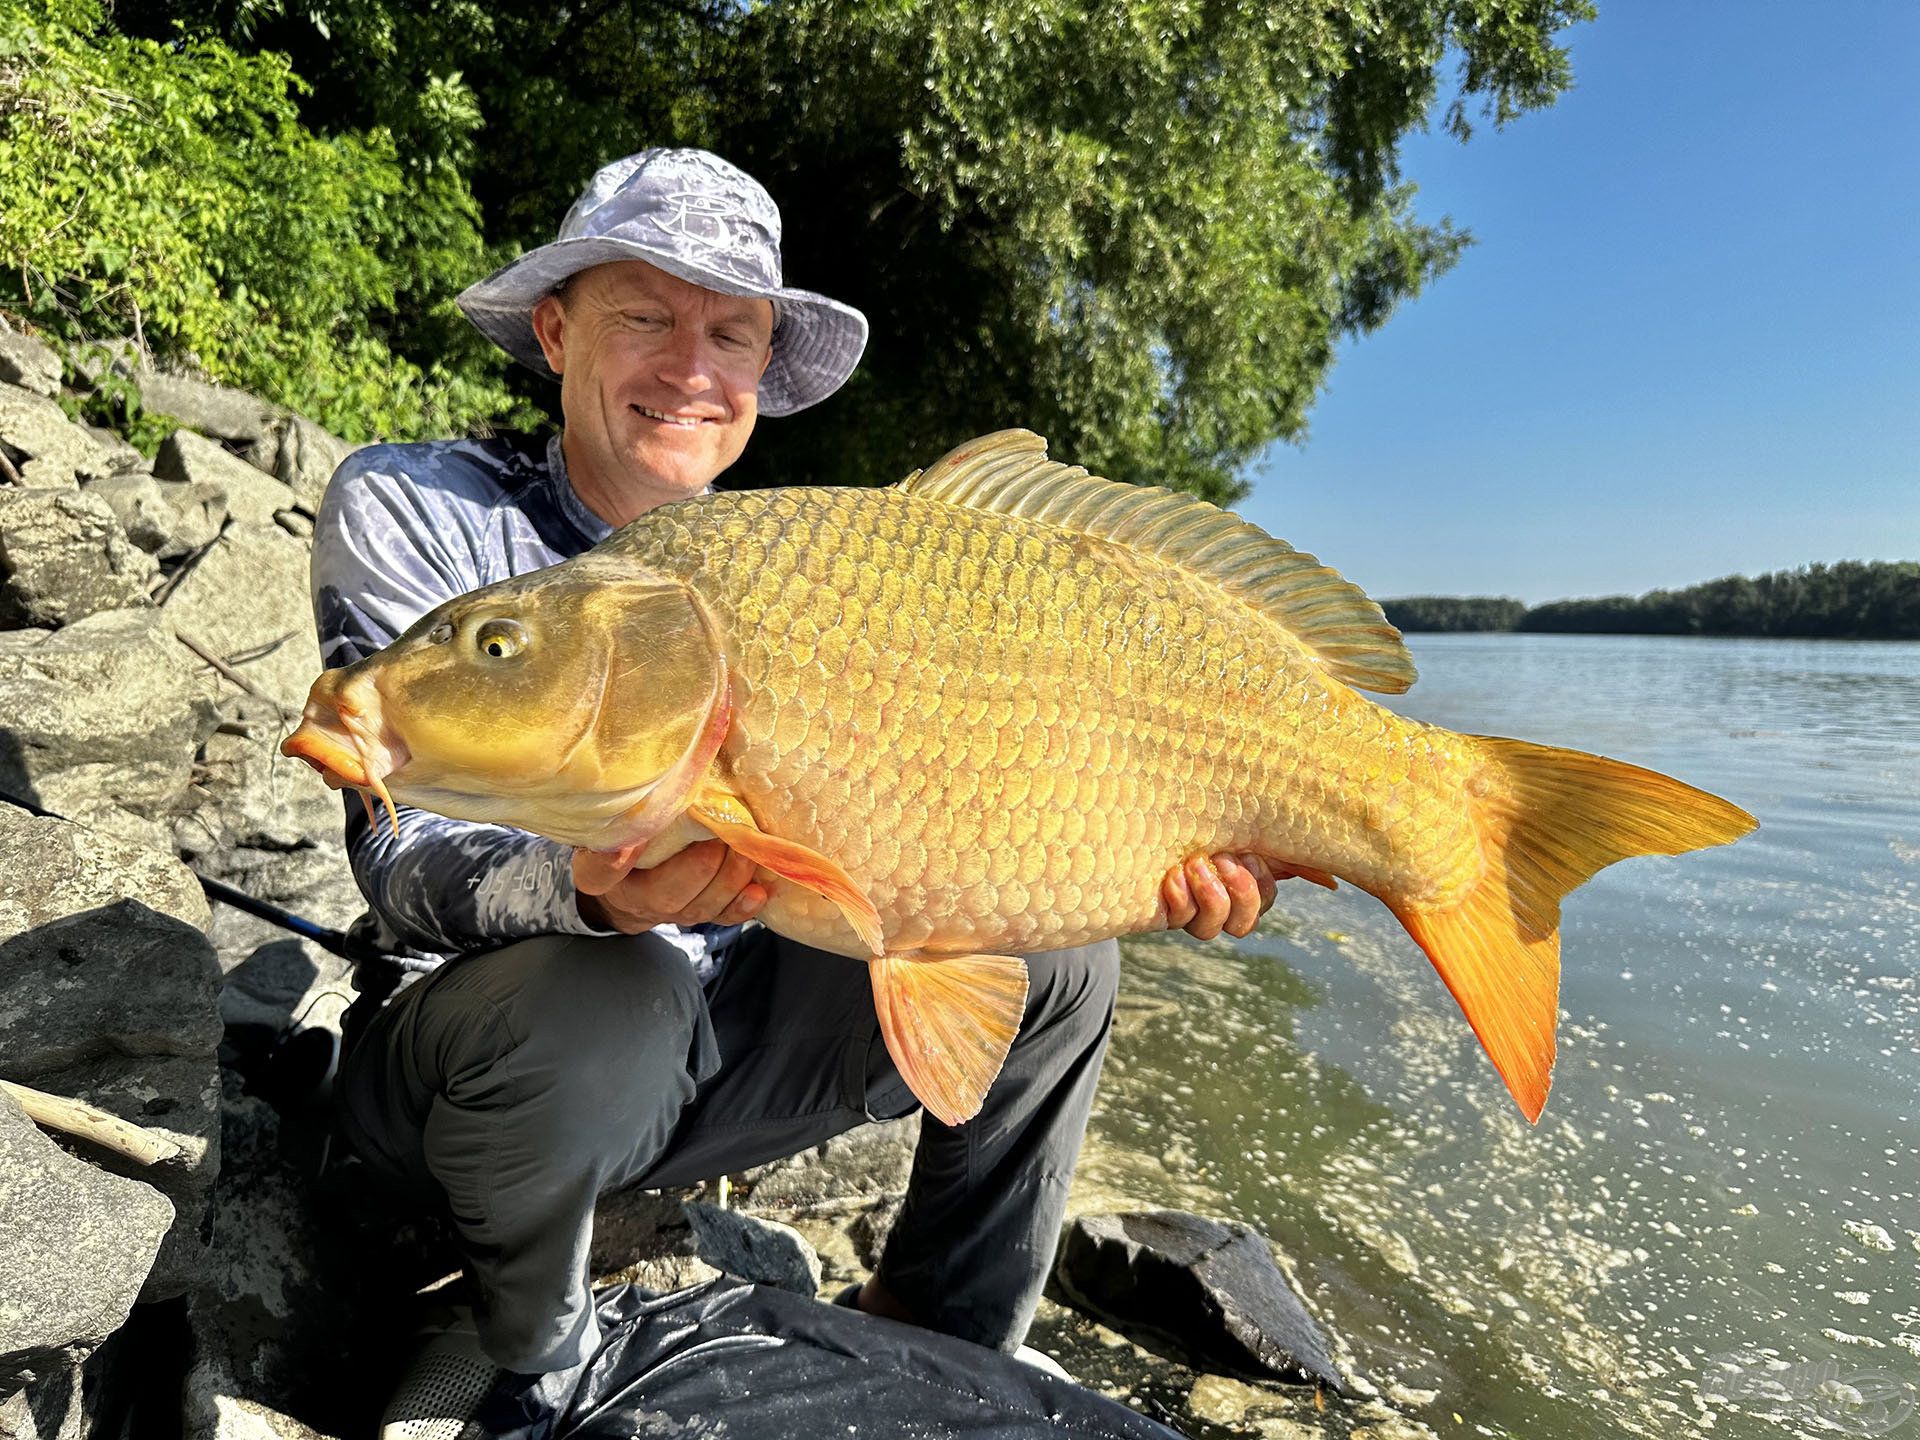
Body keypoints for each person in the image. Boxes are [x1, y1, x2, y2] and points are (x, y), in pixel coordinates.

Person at [307, 148, 1280, 1438]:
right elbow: (401, 857)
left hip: (713, 1073)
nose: (690, 369)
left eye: (733, 333)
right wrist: (590, 893)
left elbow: (977, 825)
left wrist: (1164, 854)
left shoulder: (792, 561)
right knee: (620, 977)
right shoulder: (419, 504)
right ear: (555, 329)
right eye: (645, 316)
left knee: (1065, 964)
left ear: (765, 370)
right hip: (468, 1087)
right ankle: (528, 1363)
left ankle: (942, 1345)